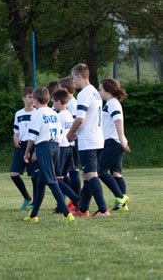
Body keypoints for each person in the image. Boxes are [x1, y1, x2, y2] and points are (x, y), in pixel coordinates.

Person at [23, 88, 74, 222]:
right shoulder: (54, 113)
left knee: (52, 181)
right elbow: (60, 132)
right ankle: (33, 215)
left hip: (44, 147)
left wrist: (27, 152)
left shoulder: (37, 114)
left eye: (33, 98)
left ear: (35, 100)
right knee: (41, 181)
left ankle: (66, 213)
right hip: (56, 147)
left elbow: (32, 136)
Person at [67, 63, 109, 218]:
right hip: (98, 138)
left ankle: (103, 210)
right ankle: (83, 209)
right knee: (87, 177)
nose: (73, 82)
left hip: (88, 141)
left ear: (79, 76)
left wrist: (69, 134)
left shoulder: (84, 94)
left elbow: (80, 119)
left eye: (73, 78)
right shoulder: (95, 93)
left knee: (91, 176)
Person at [98, 78, 130, 211]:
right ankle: (123, 205)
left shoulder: (112, 103)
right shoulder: (111, 103)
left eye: (100, 89)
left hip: (113, 141)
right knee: (116, 172)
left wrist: (122, 139)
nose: (99, 92)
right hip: (116, 141)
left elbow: (118, 121)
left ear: (107, 90)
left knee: (100, 171)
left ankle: (120, 196)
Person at [52, 89, 80, 212]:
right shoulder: (68, 114)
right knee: (63, 177)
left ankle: (75, 199)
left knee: (56, 179)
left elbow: (58, 133)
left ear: (58, 101)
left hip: (62, 148)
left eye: (54, 102)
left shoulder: (59, 116)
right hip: (70, 147)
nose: (53, 105)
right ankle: (62, 205)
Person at [10, 87, 37, 210]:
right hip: (21, 147)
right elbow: (16, 131)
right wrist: (15, 138)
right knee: (14, 174)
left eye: (33, 97)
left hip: (32, 146)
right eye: (30, 97)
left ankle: (35, 202)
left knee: (34, 175)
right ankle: (27, 197)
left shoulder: (37, 113)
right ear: (23, 98)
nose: (32, 100)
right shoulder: (18, 114)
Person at [59, 76, 80, 195]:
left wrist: (72, 135)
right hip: (67, 143)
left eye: (60, 88)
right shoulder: (68, 102)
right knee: (67, 172)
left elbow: (76, 122)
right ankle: (73, 198)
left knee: (72, 170)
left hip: (70, 143)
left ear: (65, 90)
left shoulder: (72, 104)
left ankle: (76, 198)